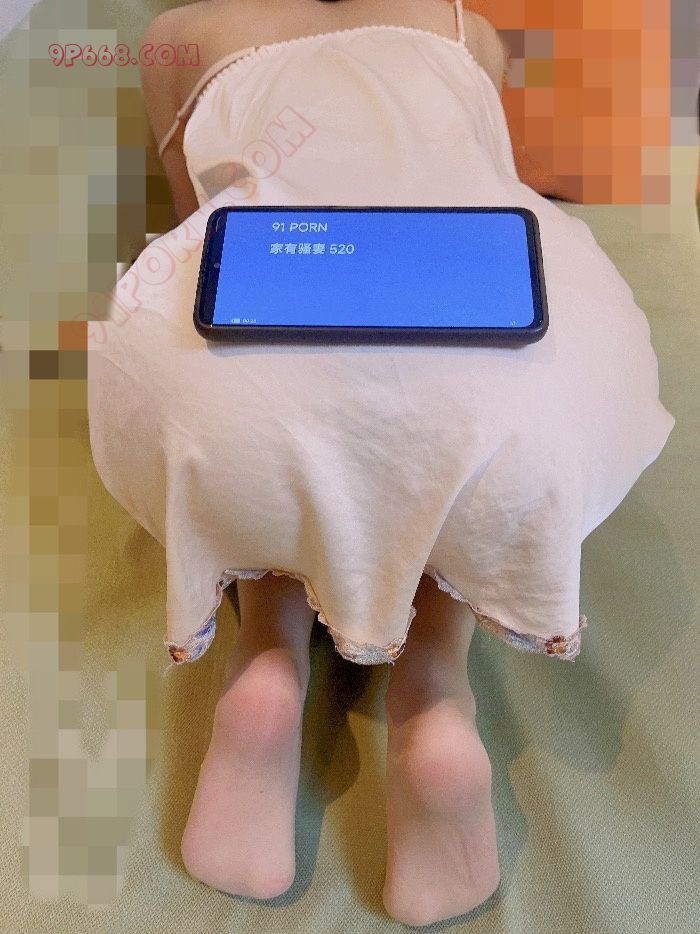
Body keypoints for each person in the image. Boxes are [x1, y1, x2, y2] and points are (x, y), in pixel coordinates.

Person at [88, 0, 675, 926]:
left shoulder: (179, 32)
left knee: (262, 381)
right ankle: (434, 693)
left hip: (240, 388)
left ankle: (265, 660)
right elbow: (486, 181)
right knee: (452, 429)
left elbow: (195, 211)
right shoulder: (463, 28)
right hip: (512, 387)